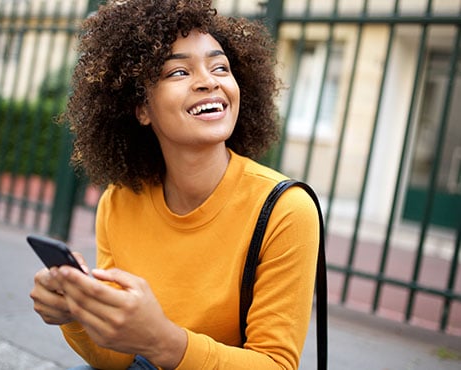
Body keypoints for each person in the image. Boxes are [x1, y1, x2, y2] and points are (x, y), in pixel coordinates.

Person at [30, 0, 319, 369]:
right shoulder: (118, 202)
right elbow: (116, 360)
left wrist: (164, 342)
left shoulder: (285, 210)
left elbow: (276, 364)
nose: (208, 81)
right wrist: (75, 315)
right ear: (142, 109)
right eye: (179, 72)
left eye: (220, 67)